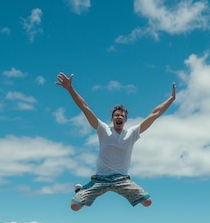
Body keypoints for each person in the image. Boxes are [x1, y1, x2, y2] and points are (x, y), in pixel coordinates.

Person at [56, 72, 176, 211]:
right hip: (100, 179)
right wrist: (70, 89)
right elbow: (85, 107)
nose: (119, 117)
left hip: (122, 179)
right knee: (74, 207)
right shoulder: (103, 130)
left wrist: (171, 99)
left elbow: (154, 114)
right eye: (116, 115)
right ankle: (82, 190)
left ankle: (84, 190)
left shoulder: (132, 133)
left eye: (122, 116)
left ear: (125, 120)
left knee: (147, 202)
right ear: (112, 119)